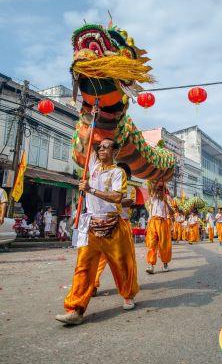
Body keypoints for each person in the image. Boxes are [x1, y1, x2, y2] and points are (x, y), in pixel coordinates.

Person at [55, 138, 139, 325]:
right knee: (83, 267)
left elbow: (117, 197)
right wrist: (92, 116)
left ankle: (128, 295)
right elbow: (90, 137)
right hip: (91, 223)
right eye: (99, 147)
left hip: (114, 225)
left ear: (115, 152)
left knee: (122, 264)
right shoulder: (92, 165)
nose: (100, 149)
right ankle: (76, 309)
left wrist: (90, 189)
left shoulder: (118, 173)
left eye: (106, 147)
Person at [93, 162, 137, 297]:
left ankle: (127, 291)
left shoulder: (131, 189)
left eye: (122, 172)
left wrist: (113, 199)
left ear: (127, 176)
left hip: (123, 224)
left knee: (123, 258)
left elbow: (130, 202)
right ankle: (93, 284)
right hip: (106, 222)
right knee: (100, 257)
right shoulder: (106, 183)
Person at [145, 181, 173, 274]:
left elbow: (172, 213)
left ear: (164, 191)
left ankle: (165, 263)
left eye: (161, 190)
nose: (159, 191)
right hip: (153, 222)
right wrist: (155, 181)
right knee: (152, 244)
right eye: (158, 189)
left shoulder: (167, 199)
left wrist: (167, 203)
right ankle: (151, 265)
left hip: (163, 223)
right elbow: (151, 189)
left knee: (164, 244)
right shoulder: (153, 198)